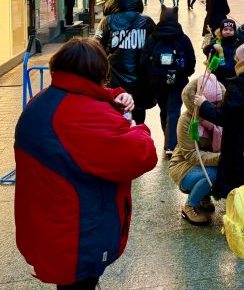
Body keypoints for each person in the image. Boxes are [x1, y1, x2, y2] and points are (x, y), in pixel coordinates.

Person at [14, 38, 158, 289]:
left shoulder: (42, 101)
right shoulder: (81, 116)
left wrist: (115, 96)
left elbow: (83, 104)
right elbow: (143, 155)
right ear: (100, 72)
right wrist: (137, 126)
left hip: (45, 222)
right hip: (77, 233)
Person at [196, 42, 244, 199]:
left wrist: (203, 104)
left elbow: (223, 116)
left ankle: (238, 211)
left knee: (237, 182)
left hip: (237, 143)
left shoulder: (238, 86)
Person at [168, 73, 224, 225]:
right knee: (213, 173)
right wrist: (222, 158)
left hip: (209, 161)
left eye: (219, 103)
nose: (215, 108)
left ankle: (203, 196)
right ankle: (190, 206)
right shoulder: (186, 121)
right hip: (184, 166)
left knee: (222, 172)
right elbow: (192, 155)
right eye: (211, 103)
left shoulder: (221, 118)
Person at [141, 6, 196, 157]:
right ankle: (171, 144)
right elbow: (191, 61)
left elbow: (143, 61)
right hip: (178, 80)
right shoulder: (182, 38)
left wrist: (151, 73)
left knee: (164, 110)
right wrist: (186, 73)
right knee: (174, 111)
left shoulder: (153, 38)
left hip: (157, 80)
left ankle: (168, 138)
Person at [95, 0, 156, 124]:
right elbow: (156, 47)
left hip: (114, 80)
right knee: (138, 113)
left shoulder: (108, 21)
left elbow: (96, 48)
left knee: (115, 113)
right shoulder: (146, 22)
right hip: (139, 81)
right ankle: (138, 137)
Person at [203, 19, 240, 86]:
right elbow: (205, 50)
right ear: (221, 31)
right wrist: (212, 45)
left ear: (234, 31)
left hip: (231, 78)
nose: (228, 32)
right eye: (225, 29)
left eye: (231, 30)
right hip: (216, 76)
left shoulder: (237, 44)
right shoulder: (218, 40)